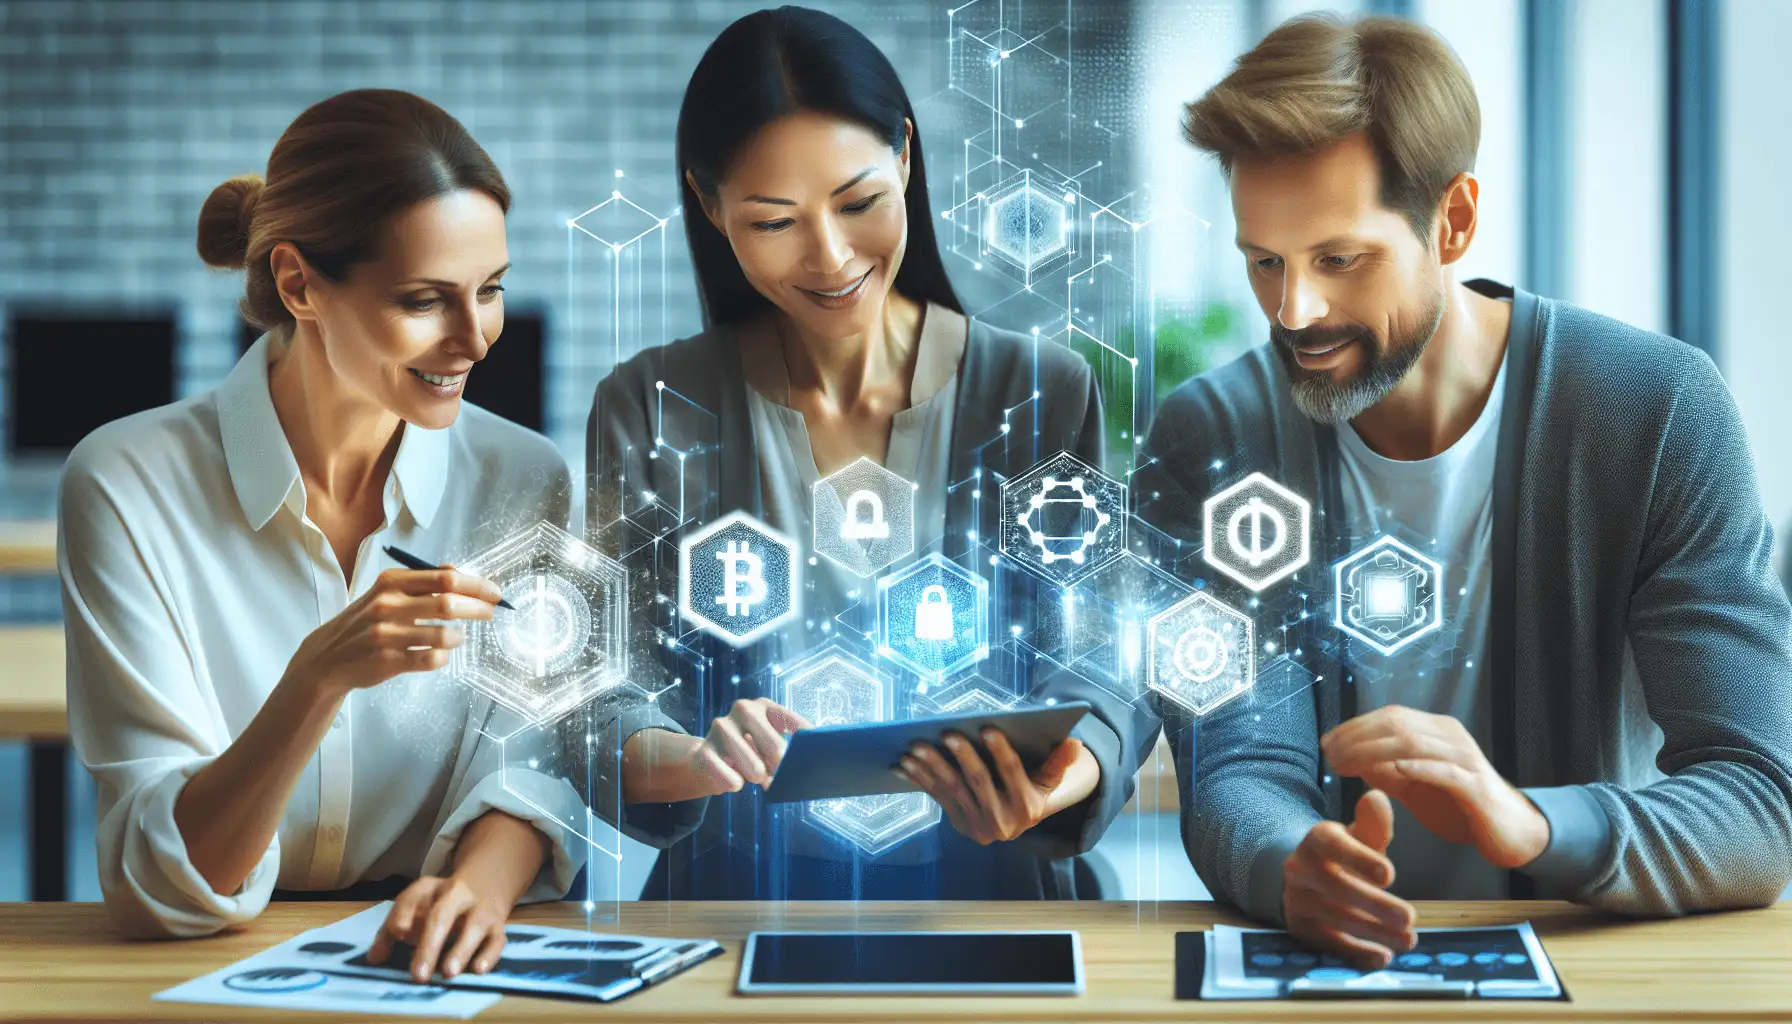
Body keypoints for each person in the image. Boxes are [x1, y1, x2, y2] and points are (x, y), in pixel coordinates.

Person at [1097, 14, 1792, 965]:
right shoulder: (1212, 438)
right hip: (1320, 980)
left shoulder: (1656, 410)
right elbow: (1239, 764)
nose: (1294, 311)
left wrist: (1535, 827)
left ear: (1454, 220)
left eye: (1339, 260)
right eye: (1265, 261)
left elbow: (1759, 796)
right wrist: (1289, 861)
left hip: (1599, 973)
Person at [569, 6, 1137, 900]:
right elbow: (594, 699)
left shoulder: (1043, 393)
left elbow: (1100, 663)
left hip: (995, 905)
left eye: (861, 202)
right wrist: (692, 757)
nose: (830, 258)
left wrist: (1051, 785)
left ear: (906, 158)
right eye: (773, 221)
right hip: (731, 904)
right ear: (711, 207)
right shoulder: (651, 406)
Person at [60, 89, 586, 981]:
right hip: (194, 976)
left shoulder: (527, 478)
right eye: (424, 300)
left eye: (489, 290)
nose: (474, 340)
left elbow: (533, 762)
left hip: (442, 970)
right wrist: (318, 675)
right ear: (300, 283)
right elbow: (169, 884)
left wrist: (478, 893)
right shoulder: (125, 483)